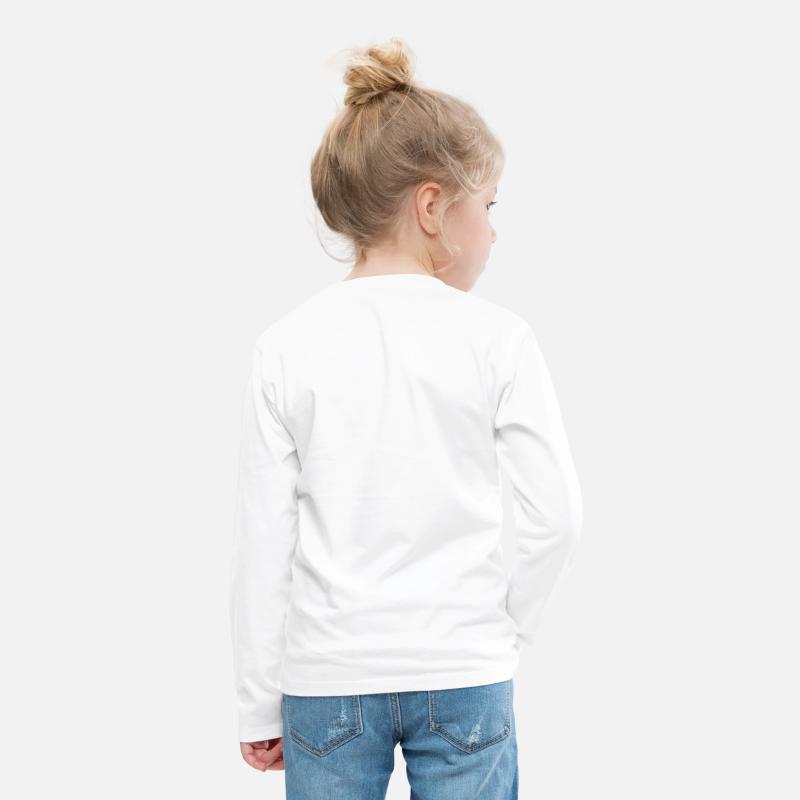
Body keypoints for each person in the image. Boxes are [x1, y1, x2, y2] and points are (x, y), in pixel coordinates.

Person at [229, 36, 583, 799]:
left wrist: (258, 699)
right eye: (488, 206)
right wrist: (503, 630)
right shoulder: (498, 339)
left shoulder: (285, 346)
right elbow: (556, 517)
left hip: (327, 679)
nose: (494, 230)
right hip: (464, 669)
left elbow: (264, 540)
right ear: (431, 207)